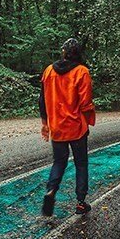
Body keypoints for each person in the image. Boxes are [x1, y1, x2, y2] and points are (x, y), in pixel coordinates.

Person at [39, 38, 96, 217]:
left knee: (59, 162)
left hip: (57, 127)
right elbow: (86, 103)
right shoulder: (82, 72)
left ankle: (51, 190)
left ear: (63, 52)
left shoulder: (49, 71)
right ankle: (80, 202)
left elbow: (42, 99)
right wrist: (89, 121)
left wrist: (45, 123)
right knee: (81, 164)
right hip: (77, 127)